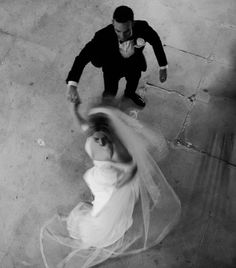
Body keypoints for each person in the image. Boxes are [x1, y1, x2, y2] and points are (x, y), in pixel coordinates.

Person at [40, 100, 181, 268]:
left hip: (111, 184)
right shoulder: (93, 133)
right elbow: (82, 124)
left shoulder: (116, 149)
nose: (99, 142)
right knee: (98, 203)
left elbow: (131, 170)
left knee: (102, 213)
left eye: (104, 138)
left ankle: (100, 234)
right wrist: (73, 108)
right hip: (100, 177)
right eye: (96, 137)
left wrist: (119, 189)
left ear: (110, 132)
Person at [66, 5, 168, 108]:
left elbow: (156, 42)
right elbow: (82, 57)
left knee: (133, 83)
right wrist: (72, 85)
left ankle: (129, 94)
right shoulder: (102, 36)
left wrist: (163, 66)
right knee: (110, 92)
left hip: (134, 65)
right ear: (113, 22)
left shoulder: (143, 27)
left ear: (132, 23)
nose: (122, 36)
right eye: (118, 31)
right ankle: (107, 106)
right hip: (112, 68)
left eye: (127, 31)